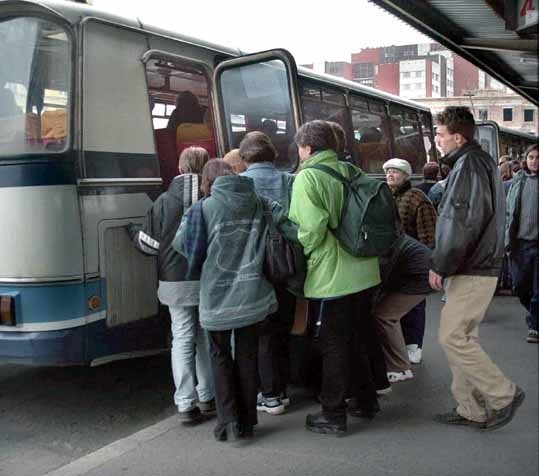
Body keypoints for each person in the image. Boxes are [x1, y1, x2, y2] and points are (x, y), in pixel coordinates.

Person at [175, 159, 295, 441]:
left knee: (218, 355)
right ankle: (248, 420)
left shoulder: (201, 209)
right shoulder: (262, 203)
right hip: (254, 294)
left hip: (216, 297)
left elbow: (183, 245)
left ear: (207, 182)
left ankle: (228, 421)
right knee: (247, 355)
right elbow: (292, 230)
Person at [430, 106, 524, 431]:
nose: (436, 140)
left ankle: (503, 394)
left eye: (440, 134)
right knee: (464, 335)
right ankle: (471, 407)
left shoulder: (467, 166)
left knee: (453, 337)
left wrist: (440, 265)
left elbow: (461, 223)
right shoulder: (477, 161)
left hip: (472, 266)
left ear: (457, 137)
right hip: (479, 263)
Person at [288, 120, 381, 435]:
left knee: (333, 345)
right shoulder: (352, 171)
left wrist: (309, 254)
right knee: (357, 338)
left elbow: (310, 231)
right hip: (366, 270)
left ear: (308, 148)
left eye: (300, 147)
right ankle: (366, 401)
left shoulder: (308, 178)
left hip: (333, 277)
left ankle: (333, 413)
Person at [128, 146, 214, 424]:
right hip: (206, 279)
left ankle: (186, 404)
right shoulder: (209, 197)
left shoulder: (164, 201)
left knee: (182, 338)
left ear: (179, 168)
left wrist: (132, 232)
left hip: (174, 282)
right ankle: (208, 395)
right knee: (204, 338)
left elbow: (149, 246)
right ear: (205, 167)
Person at [239, 131, 296, 415]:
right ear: (273, 154)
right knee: (283, 327)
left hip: (253, 265)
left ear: (244, 157)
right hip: (285, 265)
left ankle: (269, 394)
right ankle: (282, 389)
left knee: (261, 332)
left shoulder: (240, 184)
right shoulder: (289, 180)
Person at [383, 158, 436, 369]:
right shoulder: (384, 197)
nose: (390, 175)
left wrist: (428, 262)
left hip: (413, 260)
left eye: (395, 171)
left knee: (414, 304)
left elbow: (428, 235)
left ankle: (414, 345)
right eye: (388, 172)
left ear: (406, 175)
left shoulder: (418, 199)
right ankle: (400, 344)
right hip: (391, 261)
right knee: (394, 304)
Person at [374, 234, 432, 387]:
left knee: (385, 316)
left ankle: (400, 368)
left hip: (419, 279)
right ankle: (402, 358)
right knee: (387, 313)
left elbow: (382, 277)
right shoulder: (392, 237)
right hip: (419, 275)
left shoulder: (386, 244)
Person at [505, 143, 539, 343]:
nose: (535, 161)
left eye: (538, 157)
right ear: (525, 160)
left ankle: (535, 326)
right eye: (531, 157)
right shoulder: (517, 182)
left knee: (537, 291)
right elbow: (508, 214)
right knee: (519, 287)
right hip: (519, 244)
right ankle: (535, 316)